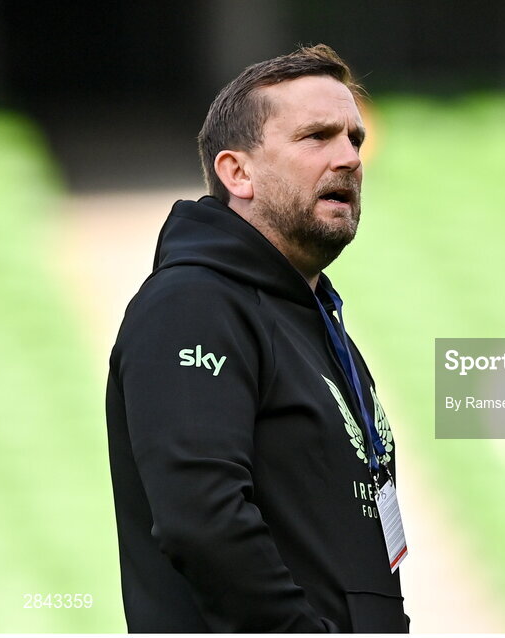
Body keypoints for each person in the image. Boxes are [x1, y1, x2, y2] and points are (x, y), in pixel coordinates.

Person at [106, 44, 408, 633]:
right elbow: (203, 522)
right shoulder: (192, 306)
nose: (348, 157)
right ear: (236, 172)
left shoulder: (311, 316)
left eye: (355, 139)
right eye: (317, 137)